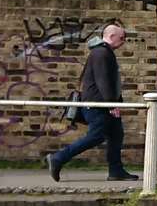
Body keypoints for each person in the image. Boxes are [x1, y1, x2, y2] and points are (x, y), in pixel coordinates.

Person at [46, 24, 137, 182]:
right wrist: (111, 104)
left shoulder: (103, 52)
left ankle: (116, 171)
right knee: (96, 136)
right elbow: (103, 81)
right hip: (98, 104)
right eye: (122, 38)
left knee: (116, 135)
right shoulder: (101, 53)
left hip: (102, 103)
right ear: (111, 36)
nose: (123, 41)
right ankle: (58, 158)